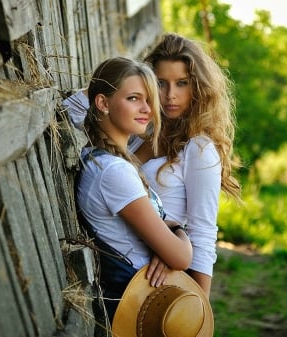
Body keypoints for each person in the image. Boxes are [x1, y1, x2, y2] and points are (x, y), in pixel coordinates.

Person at [65, 33, 241, 297]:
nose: (170, 95)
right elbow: (72, 110)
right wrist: (128, 76)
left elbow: (203, 234)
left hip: (164, 270)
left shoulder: (199, 148)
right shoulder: (136, 132)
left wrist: (198, 311)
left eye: (182, 83)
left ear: (198, 87)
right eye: (161, 83)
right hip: (131, 264)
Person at [75, 56, 193, 326]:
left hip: (143, 297)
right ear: (103, 103)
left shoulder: (108, 160)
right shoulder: (112, 171)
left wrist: (171, 231)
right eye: (134, 99)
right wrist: (178, 231)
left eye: (149, 99)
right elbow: (181, 256)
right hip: (134, 304)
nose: (148, 109)